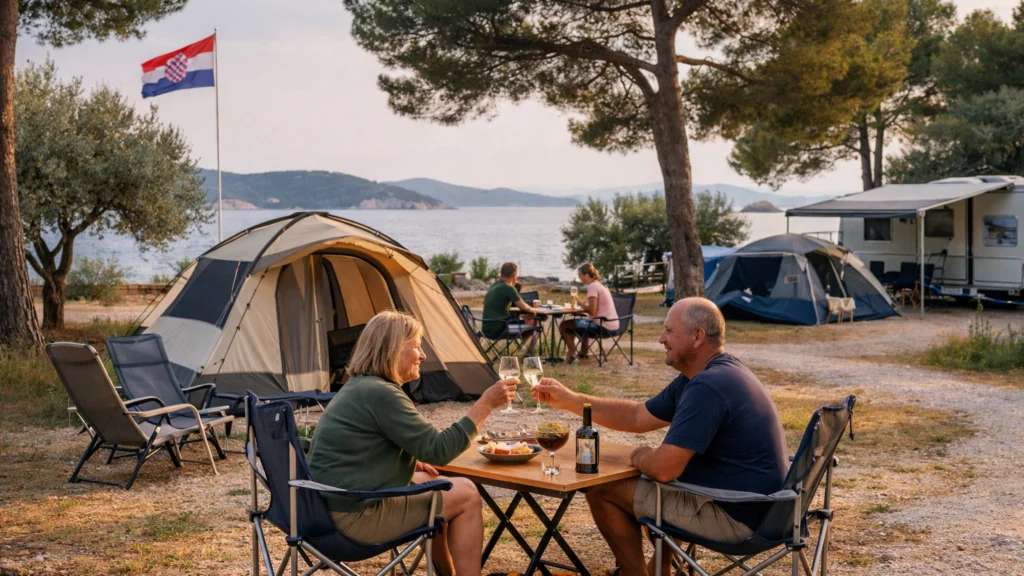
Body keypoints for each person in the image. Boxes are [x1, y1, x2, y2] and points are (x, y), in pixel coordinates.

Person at [533, 298, 788, 576]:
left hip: (738, 517)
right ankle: (659, 568)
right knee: (660, 484)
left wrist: (640, 455)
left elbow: (664, 468)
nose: (660, 338)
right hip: (767, 511)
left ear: (697, 336)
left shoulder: (708, 387)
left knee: (601, 488)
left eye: (669, 331)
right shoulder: (712, 374)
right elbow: (637, 416)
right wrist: (571, 400)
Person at [307, 311, 518, 576]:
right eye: (417, 346)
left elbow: (357, 449)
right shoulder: (381, 394)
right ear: (394, 350)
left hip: (322, 513)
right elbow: (439, 450)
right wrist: (485, 404)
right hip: (351, 521)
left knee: (433, 481)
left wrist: (404, 461)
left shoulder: (359, 386)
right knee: (466, 493)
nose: (423, 355)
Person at [559, 263, 619, 363]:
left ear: (587, 275)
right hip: (613, 325)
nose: (579, 278)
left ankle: (572, 351)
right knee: (581, 323)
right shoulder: (601, 285)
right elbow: (595, 307)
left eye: (580, 275)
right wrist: (584, 304)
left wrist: (579, 302)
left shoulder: (592, 287)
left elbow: (592, 311)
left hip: (602, 327)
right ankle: (583, 352)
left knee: (564, 325)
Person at [481, 262, 540, 353]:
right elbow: (524, 307)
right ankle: (528, 354)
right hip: (499, 329)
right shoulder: (508, 288)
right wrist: (534, 310)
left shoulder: (493, 285)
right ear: (514, 275)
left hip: (486, 329)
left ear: (501, 273)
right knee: (535, 326)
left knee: (527, 323)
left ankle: (522, 350)